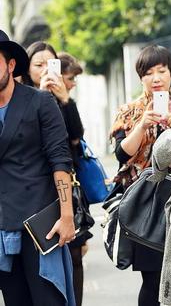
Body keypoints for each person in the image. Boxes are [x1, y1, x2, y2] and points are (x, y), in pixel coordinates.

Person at [109, 44, 171, 306]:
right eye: (149, 73)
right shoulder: (129, 112)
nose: (156, 78)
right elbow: (120, 154)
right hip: (145, 203)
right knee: (151, 279)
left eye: (162, 71)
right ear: (141, 78)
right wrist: (141, 126)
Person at [0, 30, 76, 305]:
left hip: (39, 222)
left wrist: (67, 216)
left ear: (10, 65)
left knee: (48, 298)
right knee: (15, 300)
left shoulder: (39, 101)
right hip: (1, 223)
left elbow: (60, 159)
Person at [58, 51, 92, 306]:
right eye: (70, 78)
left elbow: (76, 136)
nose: (73, 83)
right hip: (50, 188)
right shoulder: (35, 99)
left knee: (76, 253)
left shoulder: (67, 102)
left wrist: (66, 100)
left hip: (73, 184)